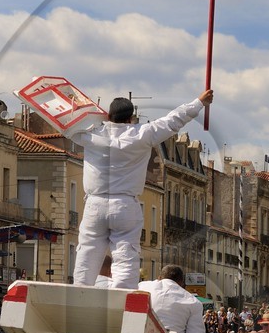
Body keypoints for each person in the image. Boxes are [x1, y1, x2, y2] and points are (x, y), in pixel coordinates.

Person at [67, 87, 212, 289]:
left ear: (108, 115)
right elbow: (173, 121)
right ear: (131, 118)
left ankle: (79, 294)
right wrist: (199, 102)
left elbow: (64, 123)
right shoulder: (142, 134)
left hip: (94, 203)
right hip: (125, 204)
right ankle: (123, 301)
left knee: (87, 253)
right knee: (126, 255)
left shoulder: (89, 134)